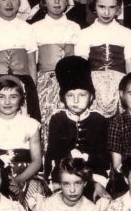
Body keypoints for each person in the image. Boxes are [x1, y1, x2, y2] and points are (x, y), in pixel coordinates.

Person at [43, 56, 110, 187]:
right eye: (70, 95)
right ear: (63, 98)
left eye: (82, 95)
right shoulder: (57, 119)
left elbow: (103, 155)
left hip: (93, 176)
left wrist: (87, 159)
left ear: (91, 97)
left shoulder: (99, 120)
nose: (76, 100)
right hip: (63, 175)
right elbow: (53, 152)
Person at [30, 0, 83, 139]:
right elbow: (33, 62)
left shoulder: (75, 27)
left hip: (70, 82)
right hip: (45, 82)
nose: (57, 1)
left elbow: (80, 59)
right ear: (44, 1)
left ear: (67, 0)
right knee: (47, 119)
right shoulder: (35, 28)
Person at [0, 75, 44, 210]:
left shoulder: (31, 124)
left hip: (26, 174)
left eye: (13, 97)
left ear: (21, 98)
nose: (7, 102)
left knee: (33, 199)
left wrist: (19, 180)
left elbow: (37, 161)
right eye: (1, 96)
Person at [74, 0, 131, 117]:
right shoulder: (85, 33)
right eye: (101, 7)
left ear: (118, 9)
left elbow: (129, 63)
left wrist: (130, 87)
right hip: (94, 84)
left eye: (112, 7)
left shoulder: (127, 33)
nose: (106, 12)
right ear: (94, 7)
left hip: (119, 84)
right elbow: (82, 64)